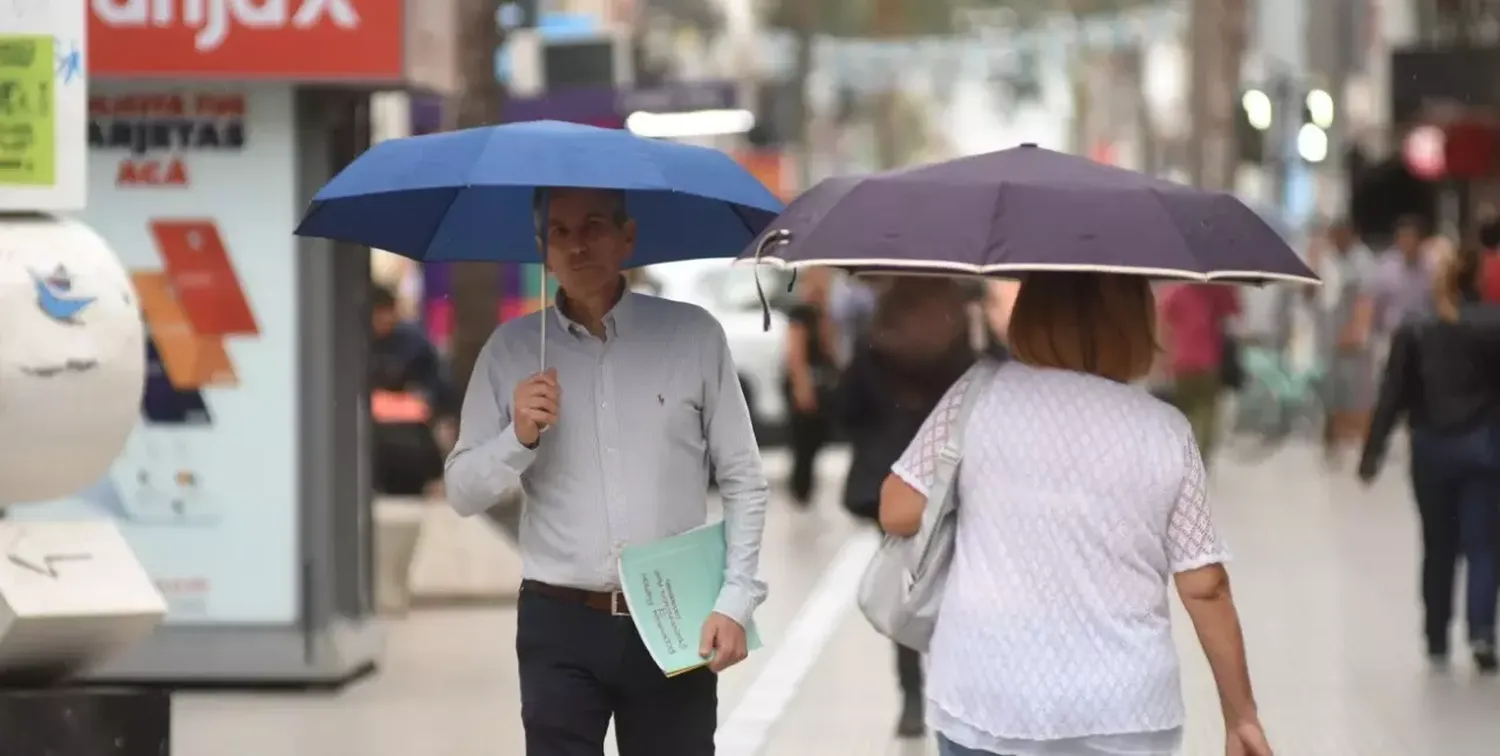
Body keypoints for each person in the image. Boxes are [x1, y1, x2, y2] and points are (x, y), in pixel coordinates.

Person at [879, 272, 1271, 756]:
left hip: (984, 693)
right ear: (1133, 324)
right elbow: (1205, 586)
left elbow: (897, 510)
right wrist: (1241, 715)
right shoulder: (1165, 431)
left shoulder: (975, 396)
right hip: (1122, 710)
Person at [444, 187, 769, 756]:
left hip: (674, 617)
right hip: (559, 620)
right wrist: (517, 437)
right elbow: (462, 491)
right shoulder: (511, 350)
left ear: (628, 236)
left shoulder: (691, 336)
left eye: (593, 225)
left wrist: (735, 599)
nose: (576, 244)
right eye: (560, 232)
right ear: (543, 249)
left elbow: (744, 477)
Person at [837, 276, 978, 739]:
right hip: (952, 478)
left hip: (893, 482)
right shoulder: (957, 342)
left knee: (908, 590)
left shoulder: (874, 339)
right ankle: (955, 690)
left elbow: (847, 409)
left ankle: (912, 698)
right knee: (957, 588)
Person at [1358, 245, 1500, 673]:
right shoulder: (1493, 325)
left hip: (1431, 451)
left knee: (1438, 545)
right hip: (1483, 449)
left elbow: (1393, 395)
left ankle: (1437, 634)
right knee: (1484, 545)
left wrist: (1373, 453)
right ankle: (1481, 633)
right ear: (1475, 278)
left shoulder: (1415, 328)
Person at [370, 285, 453, 495]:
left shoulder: (414, 343)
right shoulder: (355, 342)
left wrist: (418, 400)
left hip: (410, 433)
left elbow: (436, 390)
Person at [1308, 219, 1378, 463]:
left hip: (1354, 341)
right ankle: (1330, 441)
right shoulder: (1326, 259)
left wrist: (1354, 331)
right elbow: (1311, 294)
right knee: (1330, 391)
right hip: (1328, 339)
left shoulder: (1363, 261)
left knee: (1358, 393)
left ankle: (1362, 444)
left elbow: (1367, 299)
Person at [1159, 283, 1241, 464]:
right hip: (1208, 363)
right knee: (1206, 417)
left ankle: (1184, 460)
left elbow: (1163, 323)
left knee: (1185, 414)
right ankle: (1198, 463)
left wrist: (1163, 362)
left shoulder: (1175, 290)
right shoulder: (1218, 290)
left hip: (1182, 363)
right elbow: (1235, 313)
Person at [782, 267, 840, 506]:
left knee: (816, 438)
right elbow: (795, 356)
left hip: (821, 383)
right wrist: (802, 389)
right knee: (802, 440)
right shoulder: (800, 314)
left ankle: (805, 487)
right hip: (804, 383)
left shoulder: (823, 314)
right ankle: (800, 489)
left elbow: (830, 350)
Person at [1371, 216, 1437, 335]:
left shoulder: (1431, 266)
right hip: (1393, 333)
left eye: (1411, 237)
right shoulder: (1386, 267)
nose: (1408, 242)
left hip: (1422, 332)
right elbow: (1375, 304)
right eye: (1403, 238)